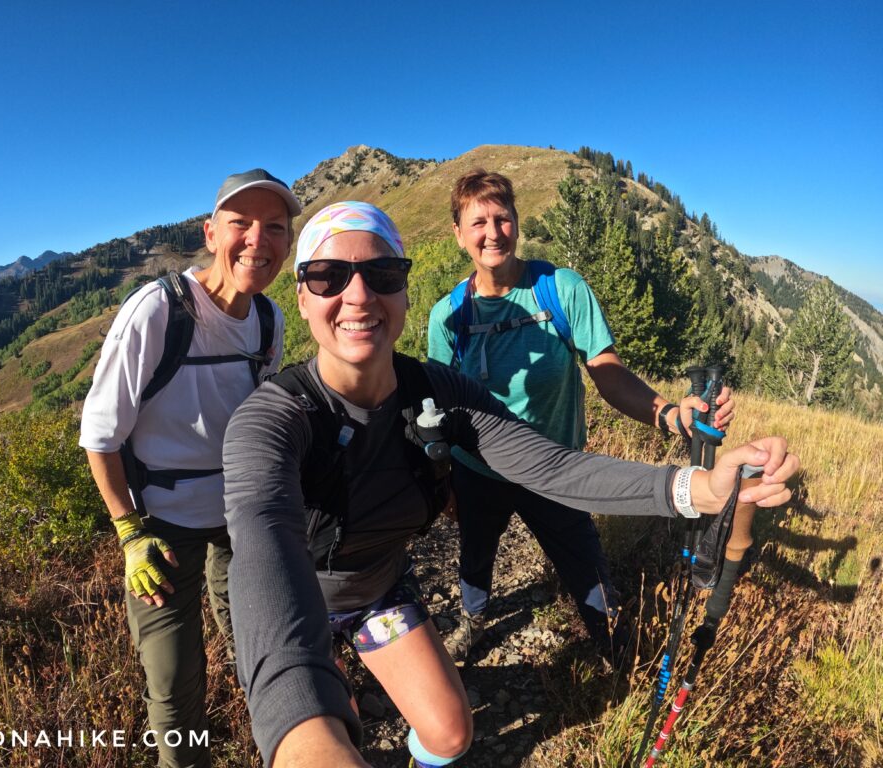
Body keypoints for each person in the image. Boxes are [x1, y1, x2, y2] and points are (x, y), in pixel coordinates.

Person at [221, 202, 797, 768]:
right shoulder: (273, 419)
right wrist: (300, 732)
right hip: (299, 601)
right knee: (328, 723)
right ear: (300, 296)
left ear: (401, 289)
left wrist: (703, 489)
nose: (358, 295)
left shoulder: (436, 391)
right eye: (328, 277)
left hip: (378, 591)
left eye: (382, 273)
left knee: (450, 733)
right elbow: (262, 545)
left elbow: (554, 469)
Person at [427, 169, 735, 663]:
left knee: (587, 571)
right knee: (476, 553)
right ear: (459, 234)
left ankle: (615, 647)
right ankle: (474, 619)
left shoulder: (559, 289)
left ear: (517, 223)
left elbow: (607, 373)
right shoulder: (448, 317)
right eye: (478, 222)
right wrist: (442, 481)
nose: (492, 232)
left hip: (556, 468)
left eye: (502, 218)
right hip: (478, 469)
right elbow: (439, 408)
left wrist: (670, 414)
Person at [79, 168, 300, 768]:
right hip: (162, 527)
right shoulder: (158, 312)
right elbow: (99, 436)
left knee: (256, 644)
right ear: (211, 233)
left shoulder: (269, 321)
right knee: (174, 681)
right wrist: (129, 533)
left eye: (274, 228)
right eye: (241, 224)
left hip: (239, 517)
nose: (258, 240)